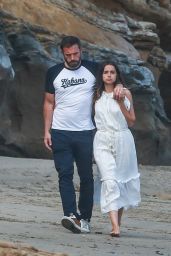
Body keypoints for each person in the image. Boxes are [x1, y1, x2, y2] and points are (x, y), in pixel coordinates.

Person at [43, 36, 124, 234]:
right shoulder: (53, 72)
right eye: (68, 55)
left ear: (81, 51)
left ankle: (85, 218)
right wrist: (46, 130)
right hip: (60, 131)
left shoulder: (93, 69)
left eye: (76, 53)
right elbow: (49, 103)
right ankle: (71, 215)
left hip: (86, 132)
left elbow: (111, 78)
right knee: (65, 174)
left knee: (86, 176)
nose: (73, 58)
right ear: (62, 53)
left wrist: (121, 85)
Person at [93, 61, 141, 237]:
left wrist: (120, 101)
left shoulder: (125, 92)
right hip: (102, 139)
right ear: (101, 75)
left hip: (123, 138)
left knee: (120, 181)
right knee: (109, 179)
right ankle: (115, 226)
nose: (109, 75)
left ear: (117, 74)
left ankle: (116, 224)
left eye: (112, 72)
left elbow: (131, 121)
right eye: (106, 72)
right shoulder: (96, 94)